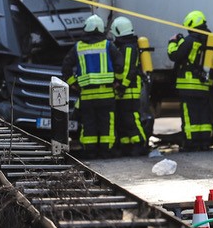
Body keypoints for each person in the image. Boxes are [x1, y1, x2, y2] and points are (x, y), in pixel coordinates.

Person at [61, 14, 123, 157]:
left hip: (87, 96)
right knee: (106, 124)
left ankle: (90, 151)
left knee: (88, 124)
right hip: (106, 94)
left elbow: (66, 67)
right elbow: (119, 65)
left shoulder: (78, 47)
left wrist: (73, 84)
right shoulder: (108, 45)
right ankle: (106, 151)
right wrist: (117, 81)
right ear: (101, 29)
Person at [167, 10, 213, 150]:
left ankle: (191, 143)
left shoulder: (189, 40)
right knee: (203, 116)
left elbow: (174, 55)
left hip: (188, 86)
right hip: (204, 85)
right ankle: (204, 142)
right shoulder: (210, 42)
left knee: (190, 116)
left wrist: (172, 42)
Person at [109, 15, 149, 156]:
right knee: (123, 119)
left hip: (129, 90)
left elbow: (127, 69)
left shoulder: (129, 47)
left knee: (131, 118)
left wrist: (121, 86)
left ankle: (140, 143)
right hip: (124, 90)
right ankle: (127, 146)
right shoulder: (125, 46)